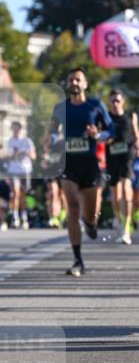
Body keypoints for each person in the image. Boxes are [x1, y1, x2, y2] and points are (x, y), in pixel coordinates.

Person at [49, 67, 114, 277]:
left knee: (90, 214)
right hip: (68, 163)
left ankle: (91, 224)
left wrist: (98, 134)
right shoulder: (60, 108)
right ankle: (78, 260)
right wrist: (50, 140)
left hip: (90, 164)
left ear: (85, 84)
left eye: (78, 80)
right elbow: (51, 132)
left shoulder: (95, 105)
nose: (74, 83)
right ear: (67, 84)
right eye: (71, 80)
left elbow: (111, 131)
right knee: (73, 208)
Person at [106, 88, 139, 245]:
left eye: (118, 100)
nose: (115, 103)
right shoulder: (105, 118)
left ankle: (126, 229)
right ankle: (118, 219)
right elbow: (100, 136)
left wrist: (138, 146)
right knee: (115, 194)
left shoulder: (130, 115)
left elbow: (136, 134)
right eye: (113, 100)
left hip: (127, 155)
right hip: (112, 156)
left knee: (126, 191)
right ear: (109, 102)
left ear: (123, 102)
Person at [6, 121, 35, 229]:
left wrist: (25, 153)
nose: (16, 131)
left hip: (25, 170)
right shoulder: (10, 141)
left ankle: (24, 217)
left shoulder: (27, 141)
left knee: (23, 195)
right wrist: (14, 154)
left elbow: (34, 155)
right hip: (13, 171)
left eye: (17, 128)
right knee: (15, 193)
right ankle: (15, 217)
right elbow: (8, 156)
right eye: (14, 128)